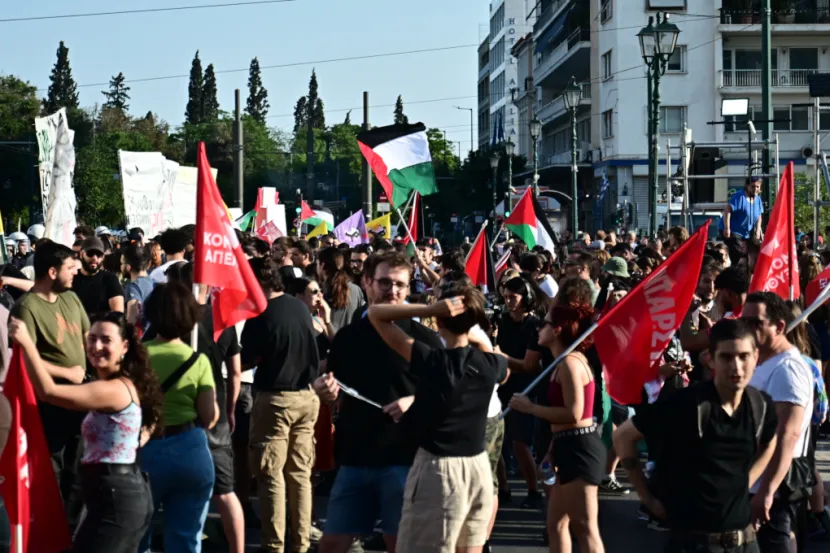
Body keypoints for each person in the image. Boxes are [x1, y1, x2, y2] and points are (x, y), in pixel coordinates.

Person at [313, 252, 443, 553]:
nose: (392, 290)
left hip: (405, 460)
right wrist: (325, 391)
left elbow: (447, 396)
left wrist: (414, 400)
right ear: (367, 283)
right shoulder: (347, 337)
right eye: (384, 282)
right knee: (331, 544)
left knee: (400, 544)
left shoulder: (425, 339)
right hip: (355, 458)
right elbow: (336, 389)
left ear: (409, 288)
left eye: (400, 284)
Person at [366, 284, 509, 553]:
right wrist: (479, 338)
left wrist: (429, 308)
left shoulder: (433, 361)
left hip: (439, 468)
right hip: (478, 466)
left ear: (440, 321)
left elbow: (375, 314)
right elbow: (502, 369)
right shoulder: (492, 365)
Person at [614, 319, 777, 552]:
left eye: (744, 356)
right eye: (726, 357)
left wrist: (746, 481)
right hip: (694, 543)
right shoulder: (687, 404)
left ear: (756, 357)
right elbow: (623, 436)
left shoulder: (761, 405)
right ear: (710, 359)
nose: (737, 367)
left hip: (746, 542)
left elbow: (770, 443)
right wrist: (647, 499)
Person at [10, 312, 163, 553]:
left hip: (117, 498)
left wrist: (28, 343)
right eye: (92, 339)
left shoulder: (114, 389)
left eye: (106, 340)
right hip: (113, 493)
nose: (96, 346)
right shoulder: (121, 384)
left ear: (124, 346)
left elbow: (48, 392)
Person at [508, 302, 606, 553]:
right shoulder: (561, 362)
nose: (539, 328)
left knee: (585, 528)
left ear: (558, 329)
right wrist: (552, 449)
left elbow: (574, 414)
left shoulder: (571, 363)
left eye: (545, 324)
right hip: (566, 445)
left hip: (580, 449)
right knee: (556, 525)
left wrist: (530, 408)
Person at [242, 257, 321, 553]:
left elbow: (247, 358)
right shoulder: (298, 306)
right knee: (300, 476)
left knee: (270, 475)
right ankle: (300, 543)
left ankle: (273, 545)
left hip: (275, 399)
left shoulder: (261, 314)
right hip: (306, 397)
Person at [139, 282, 219, 553]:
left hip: (146, 448)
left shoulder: (138, 357)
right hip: (190, 450)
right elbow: (208, 417)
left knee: (138, 536)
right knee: (186, 538)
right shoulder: (198, 362)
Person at [9, 241, 89, 507]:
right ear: (52, 272)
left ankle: (73, 524)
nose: (76, 271)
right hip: (48, 401)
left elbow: (87, 336)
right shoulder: (26, 307)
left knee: (78, 467)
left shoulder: (71, 298)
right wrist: (67, 372)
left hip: (80, 396)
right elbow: (25, 359)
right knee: (52, 466)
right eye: (70, 267)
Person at [742, 292, 815, 553]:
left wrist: (766, 491)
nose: (747, 328)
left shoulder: (788, 369)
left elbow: (787, 435)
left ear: (779, 326)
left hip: (775, 484)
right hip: (754, 477)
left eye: (755, 323)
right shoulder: (763, 360)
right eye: (743, 321)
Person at [72, 236, 125, 316]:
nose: (94, 258)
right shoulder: (72, 278)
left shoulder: (110, 279)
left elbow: (118, 313)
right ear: (82, 254)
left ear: (103, 257)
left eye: (99, 254)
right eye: (90, 253)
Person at [720, 176, 763, 241]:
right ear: (747, 186)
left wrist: (758, 230)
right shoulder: (740, 197)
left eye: (757, 187)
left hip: (746, 234)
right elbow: (727, 210)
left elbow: (759, 216)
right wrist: (727, 228)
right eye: (753, 186)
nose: (755, 189)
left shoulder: (758, 199)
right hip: (733, 231)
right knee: (739, 247)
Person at [121, 244, 155, 326]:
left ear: (128, 267)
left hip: (142, 332)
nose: (120, 266)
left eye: (121, 263)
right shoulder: (154, 282)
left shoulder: (133, 287)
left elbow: (132, 319)